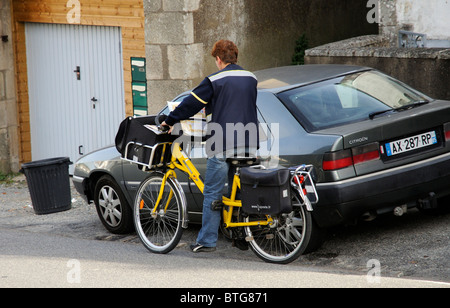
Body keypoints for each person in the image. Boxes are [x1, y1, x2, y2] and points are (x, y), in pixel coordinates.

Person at [162, 40, 259, 252]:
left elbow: (191, 103)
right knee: (239, 192)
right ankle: (241, 235)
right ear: (235, 56)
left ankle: (206, 241)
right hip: (249, 141)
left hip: (222, 142)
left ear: (218, 59)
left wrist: (170, 119)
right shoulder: (251, 78)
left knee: (213, 192)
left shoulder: (215, 80)